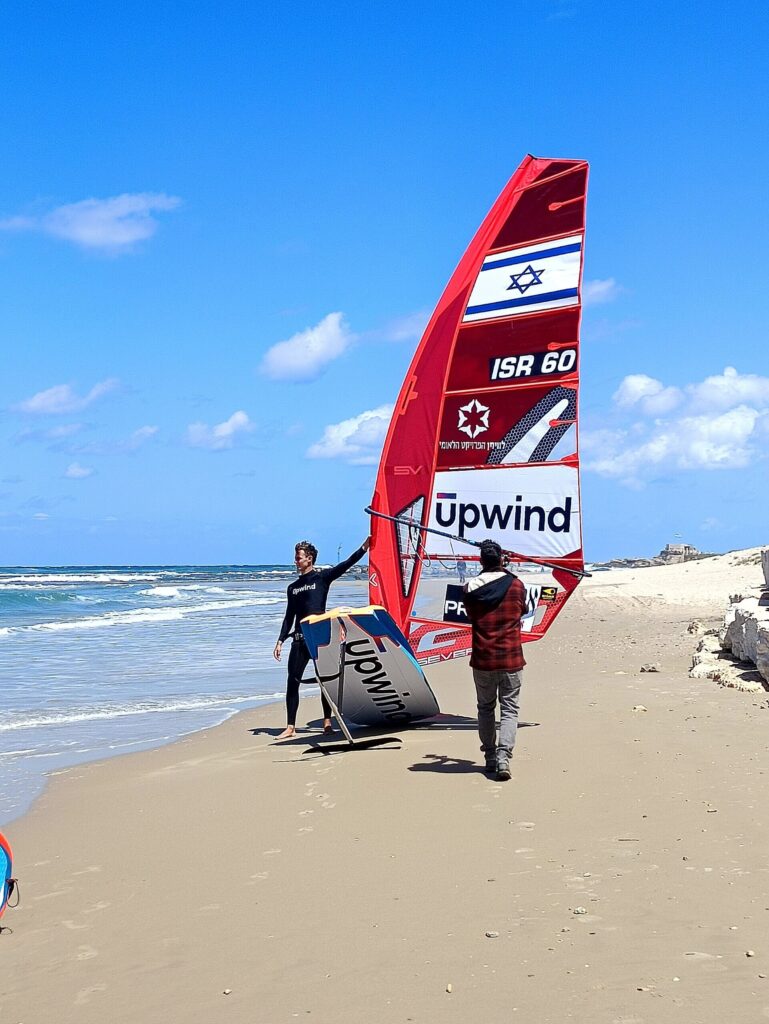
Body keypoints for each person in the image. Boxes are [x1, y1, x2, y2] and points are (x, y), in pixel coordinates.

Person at [273, 537, 370, 739]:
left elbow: (346, 564)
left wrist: (364, 547)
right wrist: (281, 640)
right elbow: (289, 616)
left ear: (309, 559)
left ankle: (327, 722)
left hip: (318, 637)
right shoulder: (293, 588)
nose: (295, 561)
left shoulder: (322, 579)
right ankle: (290, 727)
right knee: (293, 681)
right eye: (296, 557)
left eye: (298, 558)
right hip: (299, 640)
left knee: (325, 681)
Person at [462, 539, 526, 781]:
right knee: (509, 709)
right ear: (501, 560)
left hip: (482, 659)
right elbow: (521, 609)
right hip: (511, 658)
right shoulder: (517, 585)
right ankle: (503, 757)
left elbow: (471, 616)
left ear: (480, 561)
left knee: (485, 709)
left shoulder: (468, 589)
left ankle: (490, 756)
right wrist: (506, 569)